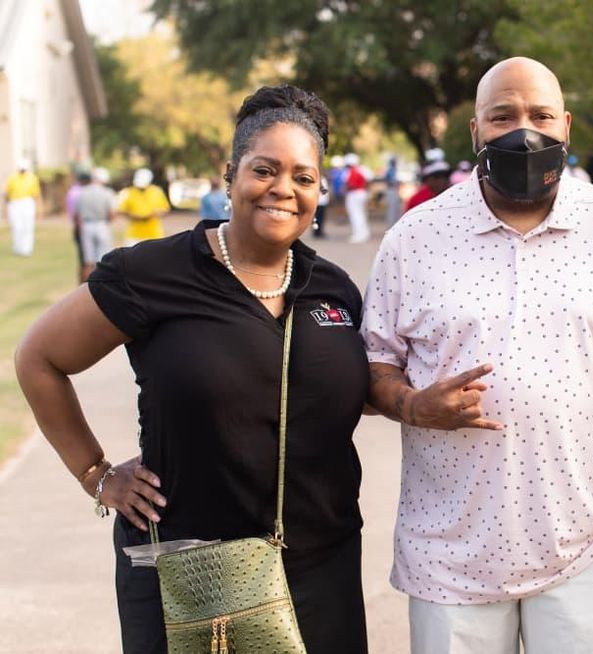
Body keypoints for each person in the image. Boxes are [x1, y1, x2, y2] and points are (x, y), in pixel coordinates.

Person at [15, 84, 369, 654]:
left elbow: (354, 386)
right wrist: (97, 474)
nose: (284, 189)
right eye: (264, 170)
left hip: (319, 565)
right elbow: (39, 359)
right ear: (230, 175)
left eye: (303, 177)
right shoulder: (149, 273)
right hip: (190, 572)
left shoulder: (332, 287)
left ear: (320, 190)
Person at [361, 56, 593, 654]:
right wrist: (412, 405)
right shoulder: (414, 238)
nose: (524, 130)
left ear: (565, 126)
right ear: (475, 132)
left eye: (540, 115)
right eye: (502, 116)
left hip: (590, 547)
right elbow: (373, 364)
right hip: (448, 557)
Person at [73, 167, 117, 281]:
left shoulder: (82, 192)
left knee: (88, 262)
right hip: (102, 225)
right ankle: (101, 287)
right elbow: (112, 214)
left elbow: (77, 214)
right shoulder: (107, 193)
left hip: (86, 226)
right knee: (104, 260)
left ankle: (85, 288)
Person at [116, 168, 170, 245]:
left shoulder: (157, 191)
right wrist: (132, 216)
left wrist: (155, 213)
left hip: (154, 234)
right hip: (134, 235)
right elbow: (121, 210)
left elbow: (165, 209)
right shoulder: (128, 192)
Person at [3, 157, 42, 256]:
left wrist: (40, 208)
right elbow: (7, 194)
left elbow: (36, 195)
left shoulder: (32, 178)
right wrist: (5, 208)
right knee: (17, 226)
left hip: (27, 202)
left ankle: (27, 249)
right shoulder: (12, 178)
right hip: (15, 203)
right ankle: (18, 247)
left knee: (28, 226)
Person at [343, 153, 370, 243]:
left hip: (354, 194)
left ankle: (359, 234)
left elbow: (350, 184)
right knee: (361, 214)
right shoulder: (362, 169)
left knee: (356, 215)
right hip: (362, 193)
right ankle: (364, 233)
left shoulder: (351, 171)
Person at [383, 155, 402, 227]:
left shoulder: (394, 169)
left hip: (394, 190)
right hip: (391, 190)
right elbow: (390, 181)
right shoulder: (390, 170)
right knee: (392, 209)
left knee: (396, 208)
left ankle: (395, 224)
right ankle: (391, 225)